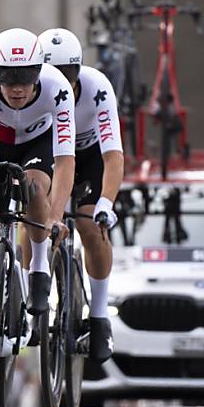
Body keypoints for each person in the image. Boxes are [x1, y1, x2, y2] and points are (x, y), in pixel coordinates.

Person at [0, 28, 76, 390]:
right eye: (9, 78)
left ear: (40, 72)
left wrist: (55, 215)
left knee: (36, 187)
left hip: (36, 145)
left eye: (26, 78)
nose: (17, 87)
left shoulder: (58, 88)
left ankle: (38, 267)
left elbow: (66, 160)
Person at [37, 28, 124, 361]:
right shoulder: (30, 90)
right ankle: (34, 296)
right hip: (50, 154)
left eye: (69, 74)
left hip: (87, 157)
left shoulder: (97, 87)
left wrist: (106, 203)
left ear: (78, 72)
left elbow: (113, 154)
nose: (62, 82)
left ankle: (99, 316)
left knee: (90, 227)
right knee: (36, 217)